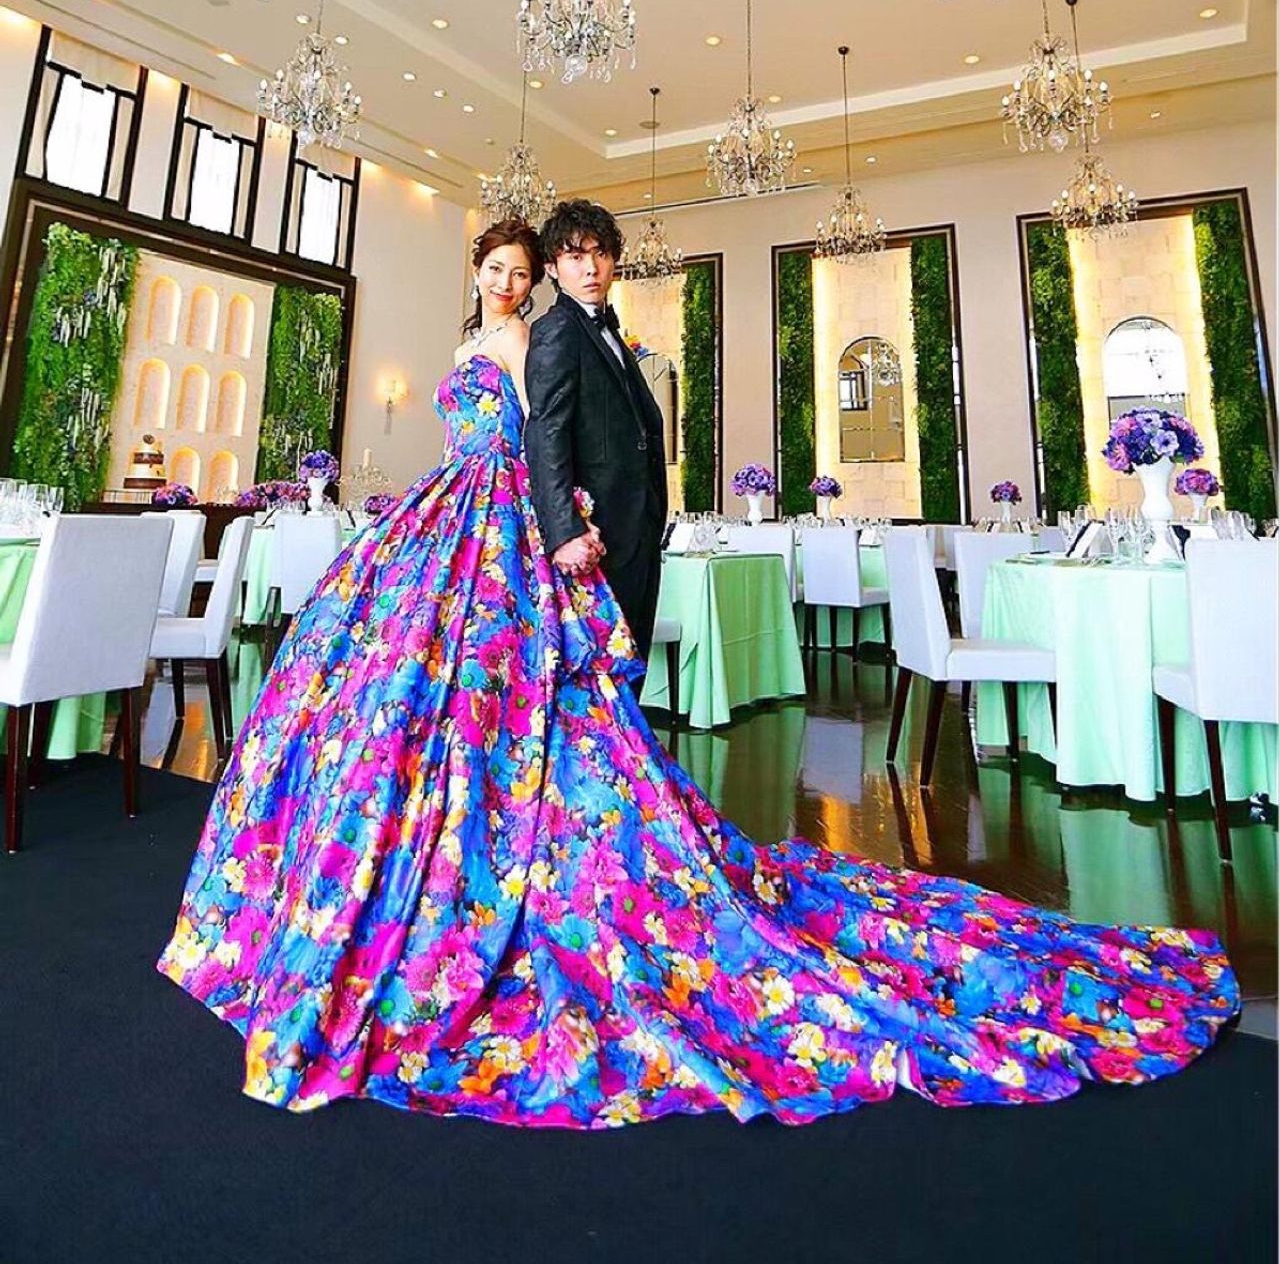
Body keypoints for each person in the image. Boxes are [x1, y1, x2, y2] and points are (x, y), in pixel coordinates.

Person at [159, 215, 1237, 1125]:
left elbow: (546, 444)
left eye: (526, 269)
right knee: (387, 679)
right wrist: (561, 517)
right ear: (481, 271)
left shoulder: (536, 338)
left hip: (516, 523)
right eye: (503, 268)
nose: (512, 282)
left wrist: (563, 518)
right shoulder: (487, 344)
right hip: (457, 514)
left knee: (525, 698)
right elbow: (532, 440)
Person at [524, 199, 667, 660]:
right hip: (594, 531)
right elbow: (545, 432)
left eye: (600, 253)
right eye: (575, 256)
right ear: (552, 267)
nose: (591, 268)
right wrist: (564, 531)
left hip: (635, 524)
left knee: (631, 662)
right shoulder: (557, 329)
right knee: (601, 670)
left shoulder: (609, 332)